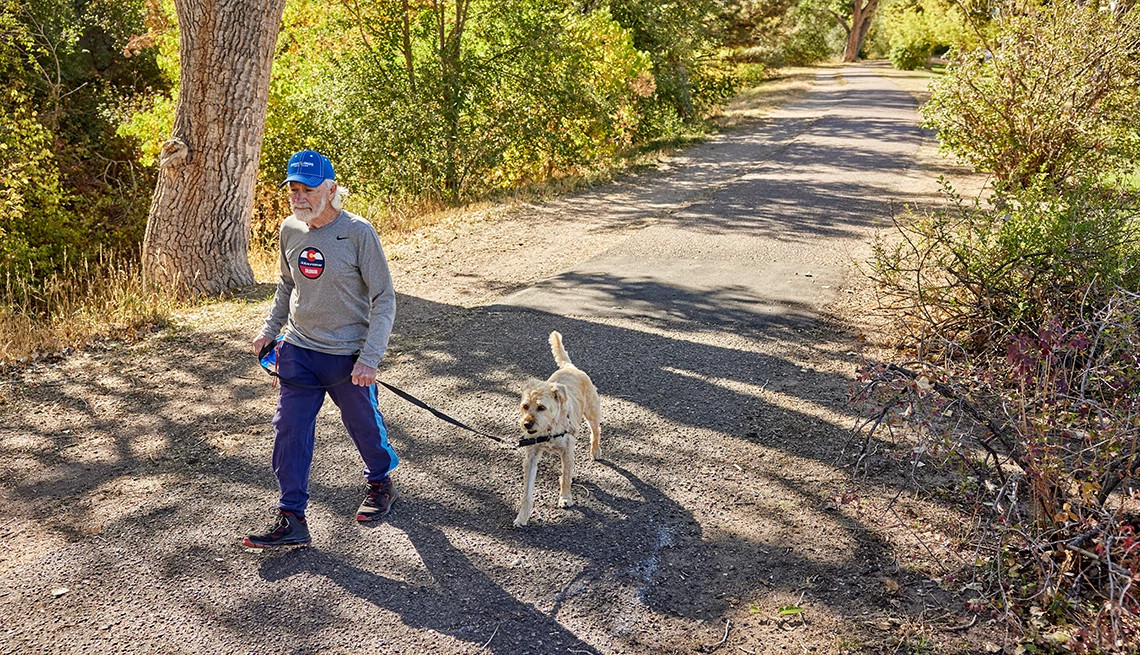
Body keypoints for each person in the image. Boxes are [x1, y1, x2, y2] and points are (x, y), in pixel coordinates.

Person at [244, 149, 399, 549]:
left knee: (364, 425)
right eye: (293, 189)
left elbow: (384, 298)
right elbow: (286, 285)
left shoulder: (358, 232)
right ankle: (292, 516)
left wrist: (369, 358)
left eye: (308, 190)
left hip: (347, 358)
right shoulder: (290, 230)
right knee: (289, 429)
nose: (299, 198)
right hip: (298, 348)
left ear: (330, 190)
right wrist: (269, 330)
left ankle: (381, 482)